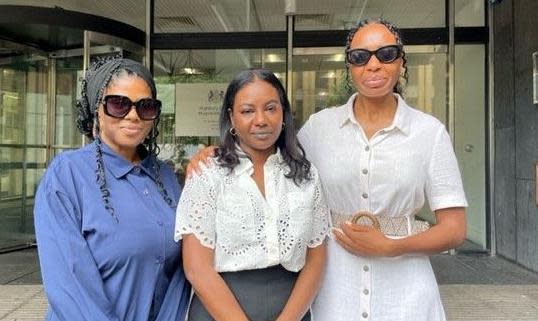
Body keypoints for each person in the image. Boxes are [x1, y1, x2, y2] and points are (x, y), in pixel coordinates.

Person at [187, 19, 468, 321]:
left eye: (386, 54)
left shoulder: (429, 132)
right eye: (360, 56)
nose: (373, 65)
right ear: (349, 66)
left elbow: (454, 229)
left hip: (405, 288)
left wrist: (390, 246)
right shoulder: (320, 128)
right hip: (335, 287)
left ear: (401, 60)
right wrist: (217, 152)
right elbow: (272, 153)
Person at [34, 57, 189, 321]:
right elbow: (69, 283)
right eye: (118, 104)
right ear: (97, 109)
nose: (133, 115)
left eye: (146, 106)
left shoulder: (165, 176)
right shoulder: (66, 175)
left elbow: (180, 275)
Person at [175, 69, 330, 321]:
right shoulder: (208, 174)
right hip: (220, 310)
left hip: (291, 310)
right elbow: (196, 268)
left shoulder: (306, 175)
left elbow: (316, 260)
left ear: (283, 114)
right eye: (247, 111)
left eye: (271, 108)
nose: (261, 120)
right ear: (232, 118)